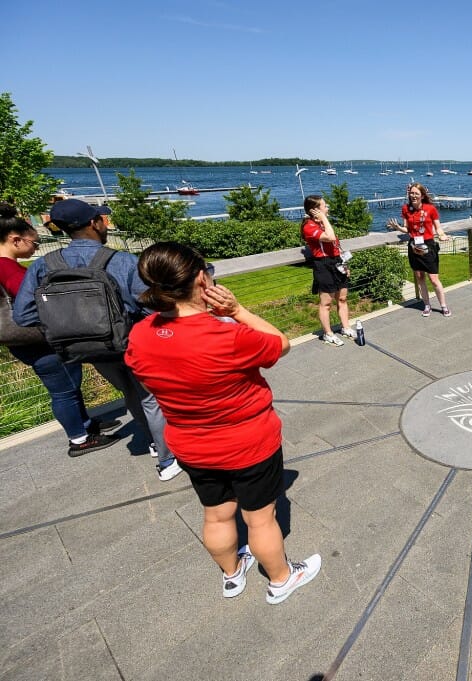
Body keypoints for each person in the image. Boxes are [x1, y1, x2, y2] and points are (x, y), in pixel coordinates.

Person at [125, 242, 321, 604]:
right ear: (202, 279)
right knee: (260, 519)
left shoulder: (140, 335)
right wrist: (237, 310)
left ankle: (232, 574)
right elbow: (280, 343)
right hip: (248, 442)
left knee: (216, 515)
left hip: (190, 444)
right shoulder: (227, 334)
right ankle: (281, 579)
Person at [13, 199, 180, 480]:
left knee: (129, 393)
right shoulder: (122, 261)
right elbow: (152, 306)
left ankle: (153, 441)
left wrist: (65, 326)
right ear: (94, 223)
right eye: (103, 220)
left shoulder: (43, 266)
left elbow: (24, 315)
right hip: (131, 343)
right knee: (151, 399)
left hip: (87, 349)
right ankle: (167, 460)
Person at [0, 203, 120, 456]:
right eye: (33, 243)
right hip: (39, 341)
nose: (35, 248)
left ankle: (85, 425)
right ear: (15, 240)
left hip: (27, 342)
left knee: (69, 384)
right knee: (64, 389)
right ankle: (79, 439)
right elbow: (31, 302)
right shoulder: (8, 268)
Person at [386, 183, 452, 317]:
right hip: (414, 246)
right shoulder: (406, 209)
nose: (413, 196)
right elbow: (407, 229)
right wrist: (398, 228)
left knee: (433, 278)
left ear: (422, 195)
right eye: (411, 193)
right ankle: (427, 305)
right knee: (419, 277)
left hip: (428, 245)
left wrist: (442, 235)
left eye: (416, 193)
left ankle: (443, 305)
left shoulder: (431, 208)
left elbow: (437, 227)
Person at [301, 195, 354, 347]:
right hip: (323, 264)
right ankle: (328, 333)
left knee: (342, 298)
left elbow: (336, 245)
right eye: (325, 206)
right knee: (326, 303)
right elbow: (330, 237)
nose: (327, 208)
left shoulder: (324, 223)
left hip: (337, 261)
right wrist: (324, 218)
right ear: (316, 210)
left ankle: (346, 327)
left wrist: (345, 265)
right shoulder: (309, 226)